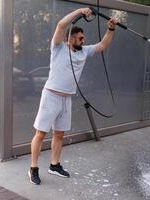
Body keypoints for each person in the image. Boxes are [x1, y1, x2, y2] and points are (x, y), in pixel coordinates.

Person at [28, 7, 118, 185]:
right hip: (51, 96)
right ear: (70, 39)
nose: (83, 41)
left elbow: (102, 45)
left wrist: (111, 29)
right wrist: (79, 12)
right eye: (80, 38)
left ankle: (54, 165)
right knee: (40, 134)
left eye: (84, 38)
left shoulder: (84, 52)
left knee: (59, 134)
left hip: (67, 98)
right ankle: (33, 169)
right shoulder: (58, 48)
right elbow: (61, 24)